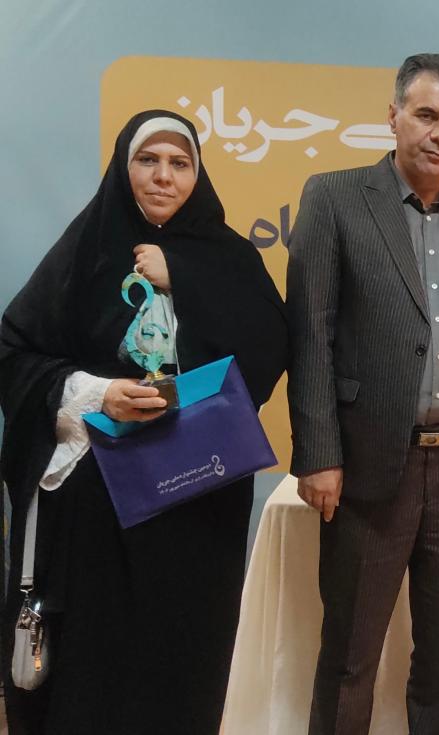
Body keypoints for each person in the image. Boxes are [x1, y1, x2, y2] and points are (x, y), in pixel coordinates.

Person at [0, 109, 288, 735]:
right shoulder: (87, 250)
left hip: (196, 497)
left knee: (180, 658)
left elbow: (269, 349)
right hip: (99, 499)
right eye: (147, 160)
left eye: (179, 163)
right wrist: (99, 394)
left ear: (197, 174)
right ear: (122, 168)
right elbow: (16, 352)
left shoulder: (231, 258)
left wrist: (183, 278)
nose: (163, 176)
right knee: (94, 662)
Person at [286, 53, 439, 734]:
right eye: (426, 115)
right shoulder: (333, 198)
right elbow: (310, 333)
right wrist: (319, 453)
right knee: (350, 658)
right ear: (393, 116)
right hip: (367, 468)